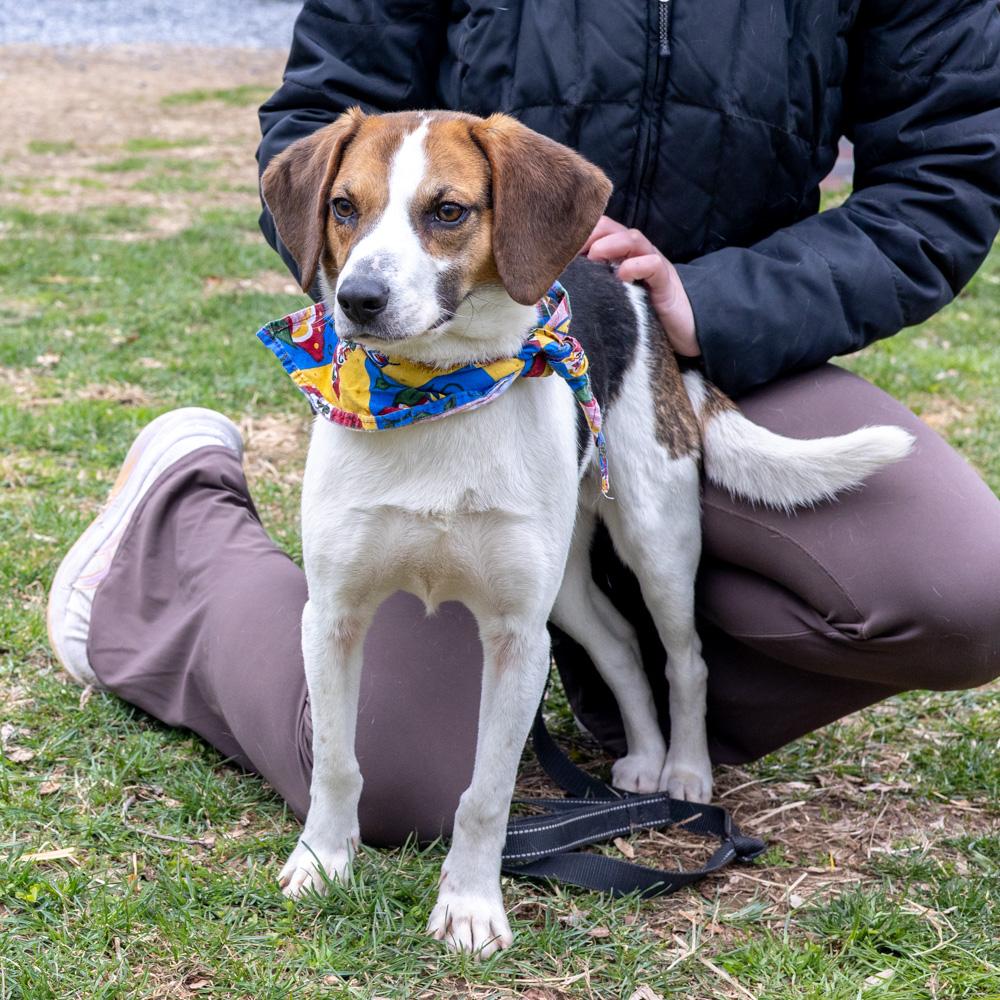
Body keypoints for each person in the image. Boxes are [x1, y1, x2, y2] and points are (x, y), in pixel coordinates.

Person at [49, 1, 1000, 847]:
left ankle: (610, 663)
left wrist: (714, 304)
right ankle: (177, 539)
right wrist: (382, 259)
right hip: (440, 366)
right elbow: (321, 118)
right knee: (401, 789)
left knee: (962, 589)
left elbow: (944, 175)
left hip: (715, 343)